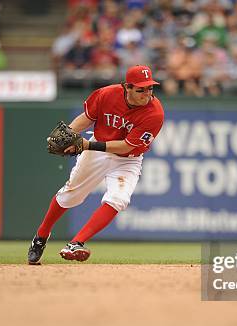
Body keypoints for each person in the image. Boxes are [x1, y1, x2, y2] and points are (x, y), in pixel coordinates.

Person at [28, 65, 165, 264]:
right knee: (71, 195)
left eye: (150, 88)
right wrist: (69, 134)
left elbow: (126, 147)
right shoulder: (106, 95)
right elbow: (86, 119)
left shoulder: (155, 113)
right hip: (96, 151)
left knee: (118, 198)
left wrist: (86, 145)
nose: (147, 93)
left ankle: (76, 243)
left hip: (127, 158)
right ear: (127, 87)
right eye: (141, 89)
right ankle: (41, 236)